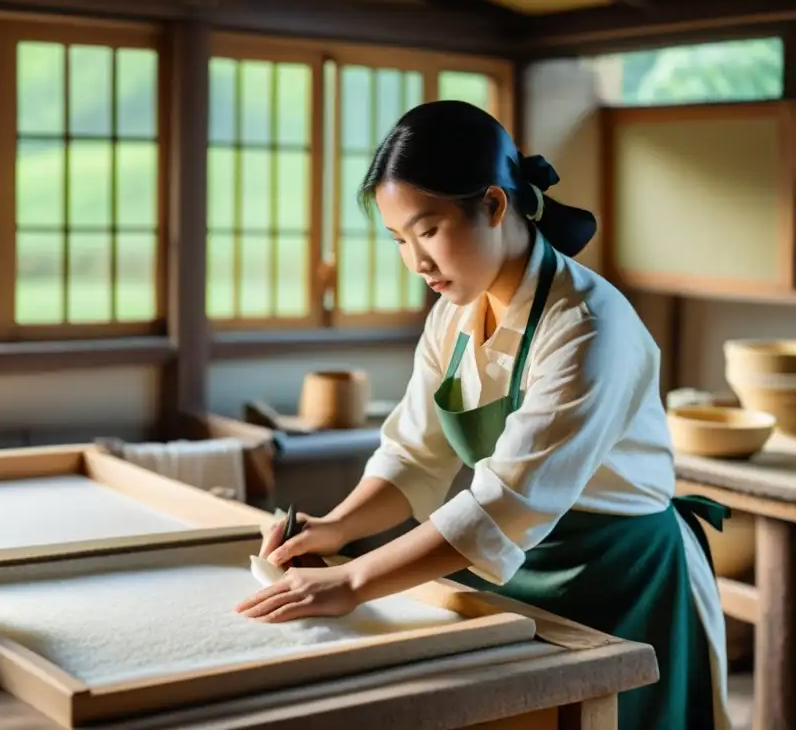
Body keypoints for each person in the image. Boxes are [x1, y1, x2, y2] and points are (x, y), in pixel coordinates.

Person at [234, 100, 730, 730]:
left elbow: (504, 503)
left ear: (494, 205)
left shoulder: (588, 326)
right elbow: (413, 455)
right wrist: (332, 529)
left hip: (624, 578)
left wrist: (353, 581)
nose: (416, 262)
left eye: (429, 230)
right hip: (522, 573)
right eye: (399, 240)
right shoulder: (454, 316)